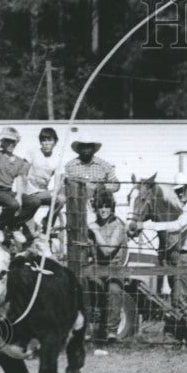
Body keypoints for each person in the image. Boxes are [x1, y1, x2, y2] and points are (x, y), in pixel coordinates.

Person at [144, 172, 187, 344]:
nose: (180, 194)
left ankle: (179, 337)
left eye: (182, 190)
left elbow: (177, 226)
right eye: (177, 191)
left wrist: (148, 225)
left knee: (180, 298)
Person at [0, 126, 37, 244]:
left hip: (8, 191)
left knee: (34, 202)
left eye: (13, 141)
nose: (10, 144)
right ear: (2, 142)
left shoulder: (19, 161)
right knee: (13, 204)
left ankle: (15, 226)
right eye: (7, 141)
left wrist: (18, 195)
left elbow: (19, 178)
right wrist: (1, 136)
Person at [88, 191, 128, 342]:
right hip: (97, 267)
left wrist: (95, 231)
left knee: (114, 289)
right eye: (100, 207)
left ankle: (112, 331)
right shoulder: (93, 226)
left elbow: (107, 250)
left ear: (112, 208)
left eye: (107, 206)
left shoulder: (118, 226)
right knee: (89, 285)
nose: (103, 210)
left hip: (114, 267)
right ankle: (91, 328)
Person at [65, 131, 120, 210]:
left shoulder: (104, 165)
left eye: (88, 146)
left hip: (100, 205)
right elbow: (64, 186)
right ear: (79, 149)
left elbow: (116, 184)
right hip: (77, 206)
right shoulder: (70, 166)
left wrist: (101, 187)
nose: (86, 149)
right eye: (83, 146)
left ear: (93, 148)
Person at [24, 126, 63, 227]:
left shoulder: (57, 158)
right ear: (40, 142)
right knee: (33, 204)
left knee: (61, 199)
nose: (46, 143)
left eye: (49, 140)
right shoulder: (33, 153)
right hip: (29, 192)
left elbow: (58, 181)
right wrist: (22, 193)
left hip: (42, 192)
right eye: (43, 140)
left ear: (55, 142)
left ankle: (46, 224)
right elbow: (22, 173)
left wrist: (55, 191)